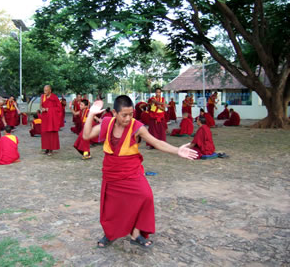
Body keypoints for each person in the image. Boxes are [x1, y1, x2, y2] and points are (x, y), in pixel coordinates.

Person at [82, 95, 198, 249]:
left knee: (146, 196)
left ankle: (136, 233)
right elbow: (86, 135)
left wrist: (177, 151)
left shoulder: (137, 127)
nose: (128, 118)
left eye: (131, 114)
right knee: (112, 206)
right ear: (115, 114)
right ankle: (110, 234)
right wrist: (90, 114)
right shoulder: (107, 123)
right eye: (124, 115)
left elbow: (156, 142)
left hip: (131, 170)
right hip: (111, 171)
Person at [40, 85, 62, 156]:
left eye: (46, 90)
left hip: (52, 119)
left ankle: (51, 149)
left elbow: (59, 108)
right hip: (45, 117)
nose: (45, 92)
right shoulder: (42, 97)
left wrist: (49, 109)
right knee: (45, 133)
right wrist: (42, 109)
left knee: (51, 133)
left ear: (50, 90)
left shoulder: (54, 97)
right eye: (44, 90)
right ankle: (46, 148)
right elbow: (41, 105)